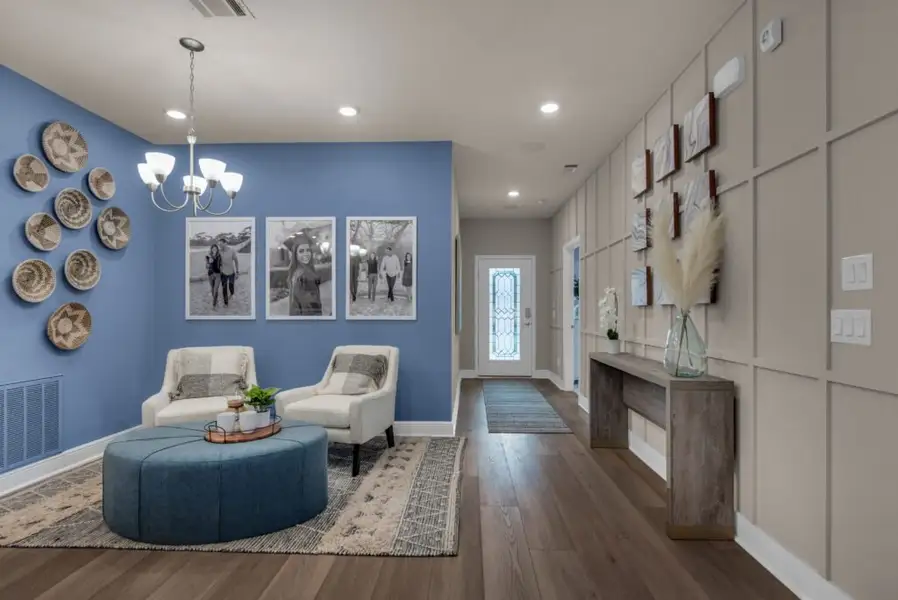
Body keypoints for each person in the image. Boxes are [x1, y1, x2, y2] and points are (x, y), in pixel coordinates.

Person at [287, 233, 322, 316]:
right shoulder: (306, 275)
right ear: (296, 255)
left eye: (308, 250)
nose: (306, 254)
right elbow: (310, 307)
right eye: (301, 251)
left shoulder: (295, 272)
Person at [218, 236, 240, 307]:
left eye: (221, 244)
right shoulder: (219, 252)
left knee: (231, 286)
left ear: (225, 243)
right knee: (224, 288)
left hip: (231, 272)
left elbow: (236, 261)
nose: (220, 246)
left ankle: (232, 293)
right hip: (223, 273)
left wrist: (237, 272)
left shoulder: (232, 250)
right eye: (219, 245)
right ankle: (226, 303)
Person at [205, 243, 222, 308]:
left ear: (217, 249)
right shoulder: (208, 256)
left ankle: (214, 304)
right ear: (211, 249)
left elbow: (221, 265)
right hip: (210, 274)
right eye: (213, 248)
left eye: (215, 248)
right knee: (212, 288)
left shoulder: (219, 256)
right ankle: (215, 300)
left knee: (216, 289)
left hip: (218, 274)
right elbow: (206, 266)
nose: (214, 249)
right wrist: (209, 262)